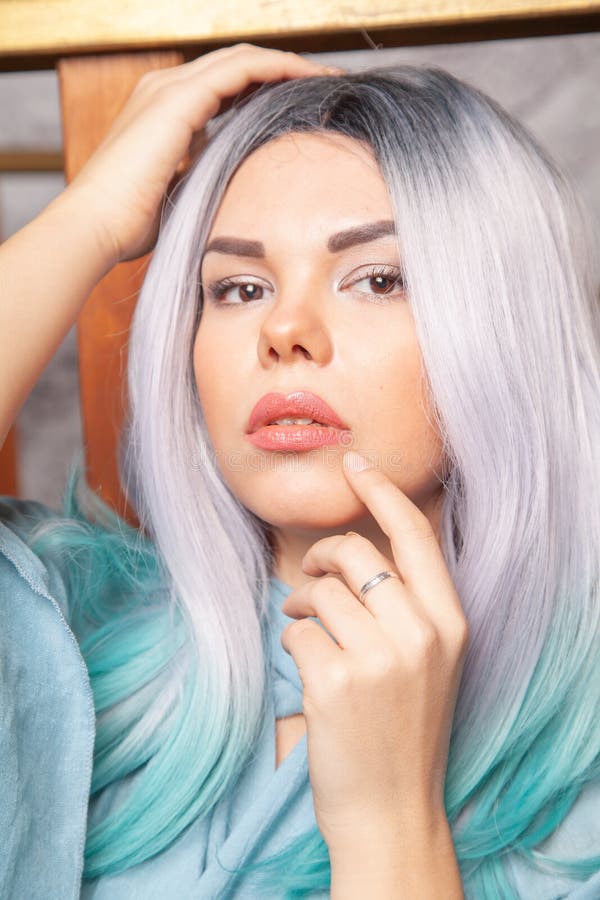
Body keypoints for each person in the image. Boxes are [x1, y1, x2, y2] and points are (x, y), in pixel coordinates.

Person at [0, 42, 598, 900]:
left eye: (378, 277)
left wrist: (393, 826)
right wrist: (89, 217)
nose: (284, 328)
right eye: (238, 288)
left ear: (505, 326)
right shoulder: (62, 633)